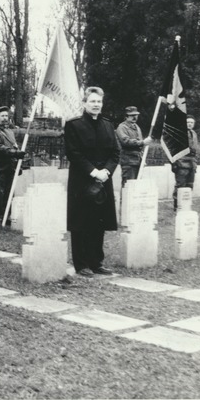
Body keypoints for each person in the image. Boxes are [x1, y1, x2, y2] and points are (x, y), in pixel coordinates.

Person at [64, 87, 121, 277]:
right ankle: (81, 264)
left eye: (99, 102)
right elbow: (73, 153)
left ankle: (97, 262)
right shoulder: (74, 125)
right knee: (81, 222)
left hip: (104, 180)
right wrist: (93, 171)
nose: (96, 105)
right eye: (92, 101)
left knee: (98, 222)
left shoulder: (107, 124)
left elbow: (115, 152)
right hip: (82, 181)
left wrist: (106, 171)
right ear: (84, 103)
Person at [0, 106, 26, 225]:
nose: (5, 118)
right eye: (2, 116)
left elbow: (14, 146)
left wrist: (18, 161)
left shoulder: (9, 132)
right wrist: (15, 153)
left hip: (10, 168)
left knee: (9, 193)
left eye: (6, 116)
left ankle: (7, 216)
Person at [115, 106, 151, 187]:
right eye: (132, 115)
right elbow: (126, 141)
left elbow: (140, 147)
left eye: (136, 115)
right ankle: (124, 200)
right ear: (126, 116)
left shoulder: (137, 127)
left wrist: (142, 159)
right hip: (128, 162)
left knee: (136, 187)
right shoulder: (122, 127)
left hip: (137, 162)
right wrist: (142, 142)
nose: (135, 117)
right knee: (128, 186)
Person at [172, 115, 198, 210]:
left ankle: (186, 204)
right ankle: (177, 205)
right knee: (180, 185)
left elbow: (195, 150)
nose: (190, 124)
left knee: (190, 184)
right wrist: (174, 163)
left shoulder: (194, 134)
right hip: (182, 164)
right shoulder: (179, 133)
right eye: (188, 122)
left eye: (192, 122)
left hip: (192, 164)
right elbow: (173, 150)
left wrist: (195, 162)